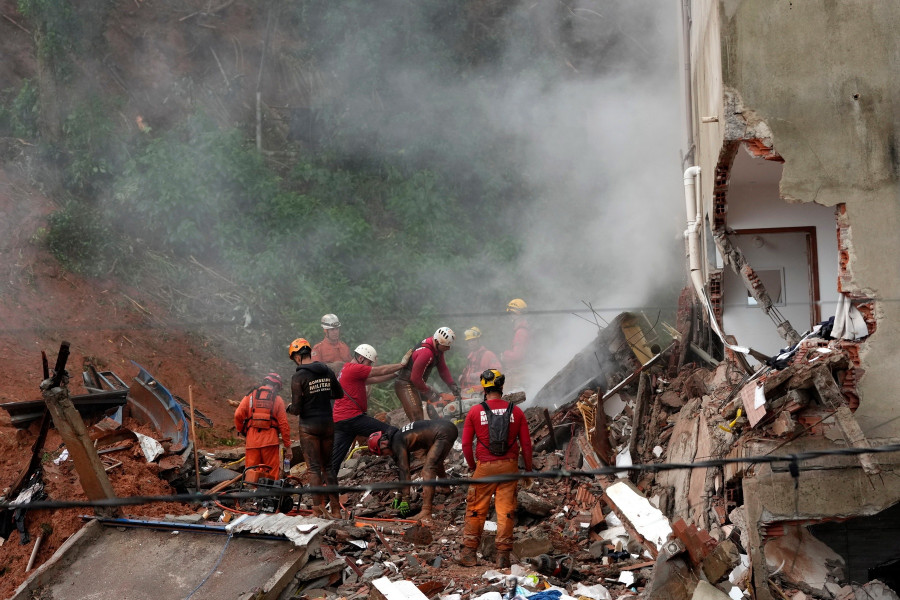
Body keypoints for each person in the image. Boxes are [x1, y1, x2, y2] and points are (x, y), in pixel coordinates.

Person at [458, 368, 533, 569]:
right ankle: (503, 557)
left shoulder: (475, 411)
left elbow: (466, 444)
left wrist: (474, 467)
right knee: (506, 510)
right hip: (509, 467)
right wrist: (528, 469)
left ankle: (469, 554)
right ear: (501, 386)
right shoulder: (516, 411)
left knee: (476, 508)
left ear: (484, 388)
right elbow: (526, 445)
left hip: (485, 467)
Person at [329, 344, 412, 479]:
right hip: (352, 418)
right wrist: (401, 365)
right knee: (392, 432)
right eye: (369, 362)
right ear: (361, 358)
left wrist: (396, 374)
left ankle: (324, 492)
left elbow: (375, 379)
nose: (370, 366)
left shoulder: (347, 369)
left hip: (340, 420)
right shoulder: (354, 368)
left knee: (335, 460)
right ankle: (405, 467)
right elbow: (379, 371)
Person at [287, 337, 344, 518]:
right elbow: (339, 393)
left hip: (309, 427)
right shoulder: (327, 370)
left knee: (313, 468)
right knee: (328, 467)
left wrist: (289, 407)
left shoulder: (298, 377)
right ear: (310, 352)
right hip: (327, 424)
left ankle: (318, 509)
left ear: (297, 357)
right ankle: (336, 510)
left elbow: (296, 409)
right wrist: (322, 395)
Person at [367, 419, 458, 523]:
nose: (386, 455)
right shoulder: (397, 437)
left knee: (428, 469)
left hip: (442, 433)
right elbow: (401, 471)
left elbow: (405, 470)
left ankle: (426, 511)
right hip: (445, 428)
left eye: (383, 453)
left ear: (383, 444)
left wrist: (406, 498)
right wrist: (399, 494)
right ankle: (444, 487)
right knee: (435, 461)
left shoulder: (397, 442)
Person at [233, 372, 292, 485]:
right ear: (276, 386)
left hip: (252, 442)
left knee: (251, 473)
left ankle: (251, 498)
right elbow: (283, 425)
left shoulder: (250, 395)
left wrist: (243, 430)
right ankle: (268, 498)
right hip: (270, 442)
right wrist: (288, 446)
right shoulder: (277, 399)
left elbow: (237, 415)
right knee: (271, 473)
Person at [394, 327, 461, 421]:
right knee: (417, 416)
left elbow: (443, 369)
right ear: (437, 342)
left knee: (442, 399)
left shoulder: (437, 349)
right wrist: (430, 393)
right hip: (406, 384)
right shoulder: (426, 352)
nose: (448, 348)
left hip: (417, 383)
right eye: (446, 346)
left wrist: (452, 385)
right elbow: (415, 378)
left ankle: (438, 426)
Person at [458, 326, 501, 396]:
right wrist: (463, 377)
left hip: (483, 391)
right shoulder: (471, 356)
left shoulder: (488, 354)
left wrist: (478, 375)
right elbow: (468, 374)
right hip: (471, 391)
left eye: (473, 340)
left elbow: (497, 371)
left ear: (479, 340)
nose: (471, 343)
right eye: (469, 341)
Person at [500, 299, 530, 385]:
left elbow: (517, 355)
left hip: (519, 374)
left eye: (511, 314)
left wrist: (504, 355)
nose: (510, 316)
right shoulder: (522, 330)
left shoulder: (521, 332)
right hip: (519, 373)